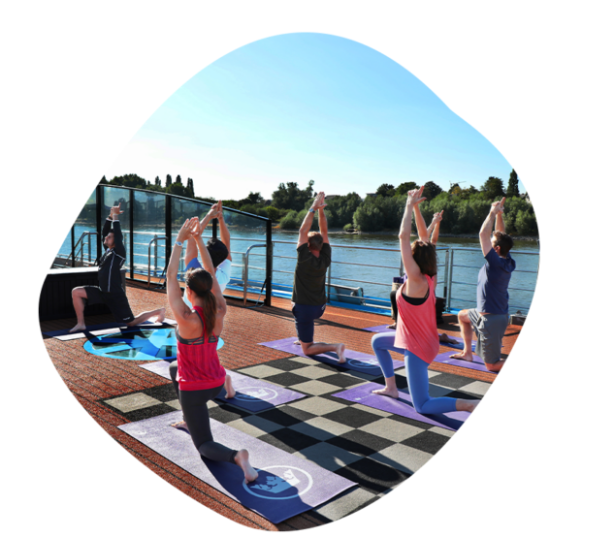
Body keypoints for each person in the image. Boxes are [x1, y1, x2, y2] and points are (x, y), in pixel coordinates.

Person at [166, 217, 257, 484]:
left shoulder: (185, 316)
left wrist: (181, 241)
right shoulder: (219, 309)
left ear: (190, 293)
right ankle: (187, 418)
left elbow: (171, 275)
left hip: (195, 388)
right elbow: (209, 271)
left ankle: (237, 456)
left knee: (204, 445)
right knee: (174, 368)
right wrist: (195, 241)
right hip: (216, 381)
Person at [371, 187, 478, 414]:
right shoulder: (430, 277)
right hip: (421, 340)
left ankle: (470, 405)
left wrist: (409, 206)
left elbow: (403, 236)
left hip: (417, 347)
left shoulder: (417, 281)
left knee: (422, 405)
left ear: (415, 260)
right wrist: (417, 208)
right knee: (377, 342)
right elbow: (425, 238)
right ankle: (391, 388)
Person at [69, 205, 165, 333]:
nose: (106, 238)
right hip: (103, 292)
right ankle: (81, 324)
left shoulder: (119, 253)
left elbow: (118, 235)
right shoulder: (108, 251)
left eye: (110, 237)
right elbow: (105, 232)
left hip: (115, 295)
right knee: (76, 292)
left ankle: (159, 311)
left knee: (131, 323)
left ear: (116, 241)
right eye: (107, 237)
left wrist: (115, 216)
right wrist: (109, 216)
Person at [451, 197, 515, 372]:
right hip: (484, 314)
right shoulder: (507, 259)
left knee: (492, 365)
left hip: (490, 320)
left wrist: (492, 212)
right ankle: (467, 353)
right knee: (462, 315)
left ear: (496, 249)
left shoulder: (495, 263)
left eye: (492, 244)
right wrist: (500, 215)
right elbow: (499, 235)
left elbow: (483, 235)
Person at [291, 191, 346, 363]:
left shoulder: (303, 257)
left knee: (307, 350)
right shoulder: (325, 257)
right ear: (321, 245)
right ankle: (303, 336)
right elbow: (324, 230)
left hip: (304, 309)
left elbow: (302, 230)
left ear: (307, 245)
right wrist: (321, 210)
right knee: (302, 317)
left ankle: (334, 347)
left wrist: (313, 208)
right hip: (320, 308)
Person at [183, 201, 232, 309]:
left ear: (204, 251)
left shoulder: (193, 271)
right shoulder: (224, 275)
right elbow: (227, 242)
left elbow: (192, 238)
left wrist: (209, 216)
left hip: (188, 317)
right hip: (208, 318)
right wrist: (220, 218)